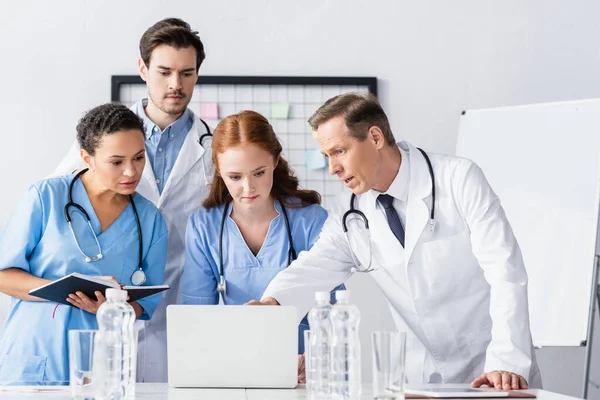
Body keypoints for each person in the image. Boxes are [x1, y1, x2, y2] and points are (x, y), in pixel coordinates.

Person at [248, 93, 543, 390]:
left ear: (375, 137)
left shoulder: (458, 179)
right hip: (422, 380)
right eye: (327, 157)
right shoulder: (350, 210)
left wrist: (505, 360)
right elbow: (316, 266)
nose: (333, 168)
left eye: (339, 151)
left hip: (491, 370)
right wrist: (274, 303)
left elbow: (505, 271)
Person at [52, 18, 212, 382]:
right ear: (142, 68)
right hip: (101, 307)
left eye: (187, 73)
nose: (176, 84)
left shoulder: (212, 149)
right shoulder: (103, 138)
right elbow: (57, 207)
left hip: (179, 306)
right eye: (164, 71)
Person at [0, 103, 167, 385]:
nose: (131, 171)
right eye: (117, 162)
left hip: (102, 363)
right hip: (37, 354)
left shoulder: (149, 219)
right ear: (87, 158)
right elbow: (4, 276)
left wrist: (114, 308)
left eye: (139, 158)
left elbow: (146, 301)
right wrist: (64, 287)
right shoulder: (45, 197)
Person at [181, 110, 343, 358]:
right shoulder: (204, 226)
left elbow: (332, 309)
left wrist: (313, 360)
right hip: (235, 360)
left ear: (275, 161)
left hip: (306, 364)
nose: (248, 188)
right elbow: (196, 318)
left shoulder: (311, 220)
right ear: (218, 170)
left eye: (259, 173)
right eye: (235, 177)